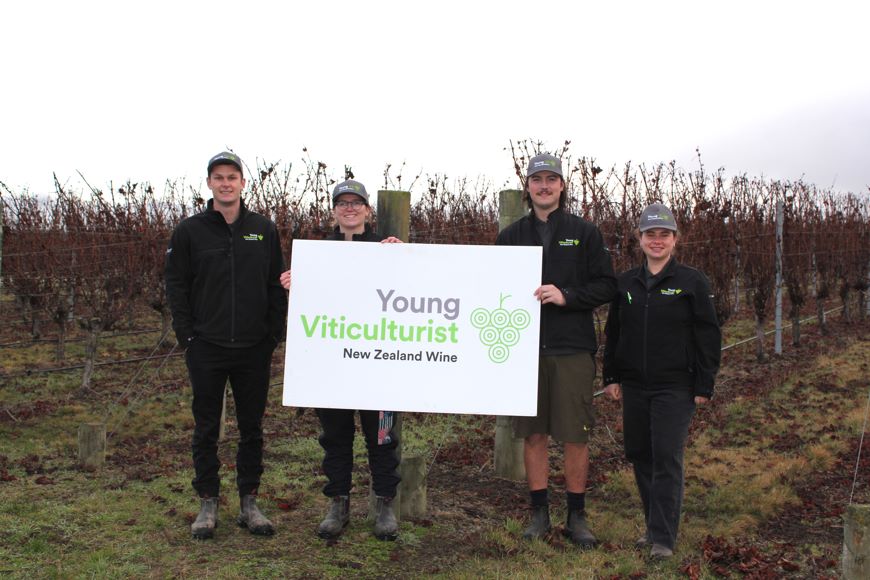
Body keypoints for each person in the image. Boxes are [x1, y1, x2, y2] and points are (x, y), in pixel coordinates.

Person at [165, 151, 288, 539]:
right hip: (208, 347)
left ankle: (250, 502)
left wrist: (273, 333)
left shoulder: (263, 229)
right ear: (209, 184)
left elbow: (276, 283)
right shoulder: (190, 231)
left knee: (252, 428)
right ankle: (207, 502)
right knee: (206, 428)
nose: (225, 183)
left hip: (254, 347)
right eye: (218, 177)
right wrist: (188, 338)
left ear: (243, 183)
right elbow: (177, 286)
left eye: (232, 177)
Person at [496, 153, 617, 547]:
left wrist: (568, 296)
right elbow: (489, 287)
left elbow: (606, 286)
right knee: (533, 435)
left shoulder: (584, 232)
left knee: (574, 434)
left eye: (552, 179)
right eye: (537, 180)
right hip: (524, 350)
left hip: (571, 349)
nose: (544, 186)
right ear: (527, 186)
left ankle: (576, 515)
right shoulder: (511, 237)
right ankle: (539, 514)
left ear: (562, 186)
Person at [280, 179, 402, 541]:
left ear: (367, 210)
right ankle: (338, 503)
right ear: (334, 210)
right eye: (342, 203)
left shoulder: (385, 248)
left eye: (356, 203)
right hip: (332, 365)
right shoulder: (318, 254)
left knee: (381, 437)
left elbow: (409, 289)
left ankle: (384, 505)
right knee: (335, 437)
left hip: (378, 364)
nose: (350, 208)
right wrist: (294, 284)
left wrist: (404, 257)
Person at [602, 203, 721, 559]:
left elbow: (708, 334)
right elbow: (615, 332)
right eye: (650, 234)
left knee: (666, 456)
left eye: (664, 235)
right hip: (635, 385)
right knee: (641, 455)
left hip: (675, 386)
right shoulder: (625, 283)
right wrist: (611, 376)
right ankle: (654, 525)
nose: (657, 241)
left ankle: (663, 540)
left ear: (675, 240)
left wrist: (704, 384)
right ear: (639, 239)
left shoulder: (691, 282)